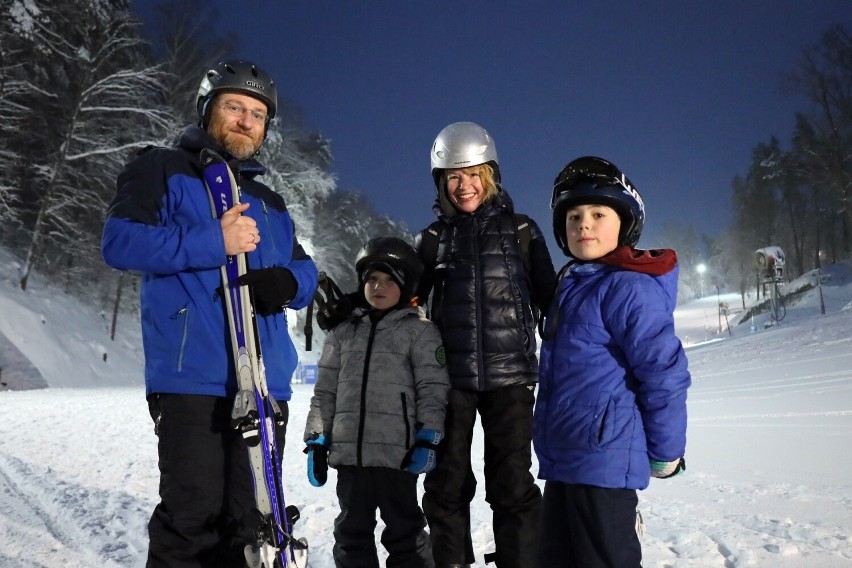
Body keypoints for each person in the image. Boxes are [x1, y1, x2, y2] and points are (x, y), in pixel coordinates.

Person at [101, 59, 318, 568]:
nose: (246, 121)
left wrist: (288, 282)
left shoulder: (270, 201)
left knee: (253, 524)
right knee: (193, 520)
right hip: (193, 379)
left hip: (266, 383)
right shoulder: (160, 168)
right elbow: (119, 241)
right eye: (234, 107)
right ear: (208, 110)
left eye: (258, 115)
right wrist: (212, 241)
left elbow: (306, 273)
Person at [533, 156, 691, 567]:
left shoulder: (628, 288)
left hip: (604, 463)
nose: (584, 224)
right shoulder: (572, 287)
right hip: (564, 461)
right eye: (573, 216)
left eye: (598, 214)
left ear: (624, 223)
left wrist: (665, 451)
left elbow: (663, 374)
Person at [415, 121, 557, 568]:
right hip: (450, 381)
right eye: (454, 176)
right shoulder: (433, 240)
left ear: (491, 175)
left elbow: (553, 298)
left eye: (474, 174)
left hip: (511, 378)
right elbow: (406, 303)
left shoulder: (522, 230)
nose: (465, 186)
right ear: (441, 182)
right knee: (446, 485)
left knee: (512, 484)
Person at [303, 236, 450, 568]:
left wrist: (428, 438)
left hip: (397, 456)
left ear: (406, 285)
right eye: (371, 278)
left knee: (405, 532)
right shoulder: (343, 333)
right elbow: (325, 391)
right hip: (350, 457)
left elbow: (433, 388)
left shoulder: (420, 332)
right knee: (351, 533)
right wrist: (316, 438)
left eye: (388, 280)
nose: (378, 287)